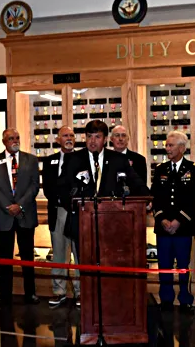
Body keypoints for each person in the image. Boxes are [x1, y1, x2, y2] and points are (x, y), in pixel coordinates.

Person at [58, 120, 149, 300]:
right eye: (89, 137)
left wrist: (147, 198)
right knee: (85, 269)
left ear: (105, 139)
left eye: (97, 137)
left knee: (109, 268)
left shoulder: (118, 159)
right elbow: (61, 188)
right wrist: (73, 202)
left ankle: (110, 301)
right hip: (82, 224)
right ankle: (87, 304)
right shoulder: (74, 159)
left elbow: (136, 182)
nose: (92, 141)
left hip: (111, 225)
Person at [0, 129, 40, 308]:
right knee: (4, 259)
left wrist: (20, 205)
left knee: (27, 257)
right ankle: (5, 295)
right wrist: (7, 206)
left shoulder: (31, 160)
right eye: (11, 138)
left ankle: (30, 293)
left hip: (25, 215)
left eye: (17, 137)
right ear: (4, 141)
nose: (15, 141)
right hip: (4, 215)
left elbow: (34, 185)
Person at [150, 131, 195, 315]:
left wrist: (178, 221)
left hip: (183, 228)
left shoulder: (194, 169)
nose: (167, 148)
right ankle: (166, 299)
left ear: (182, 148)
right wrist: (162, 219)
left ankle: (185, 299)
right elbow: (155, 197)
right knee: (164, 265)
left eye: (171, 145)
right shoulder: (161, 168)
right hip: (163, 228)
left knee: (183, 266)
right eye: (167, 145)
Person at [42, 127, 80, 308]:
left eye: (72, 135)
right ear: (58, 140)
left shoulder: (82, 159)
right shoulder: (50, 161)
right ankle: (59, 292)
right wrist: (60, 198)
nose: (69, 138)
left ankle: (80, 293)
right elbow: (48, 187)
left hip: (77, 212)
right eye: (65, 135)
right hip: (57, 211)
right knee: (58, 254)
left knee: (79, 255)